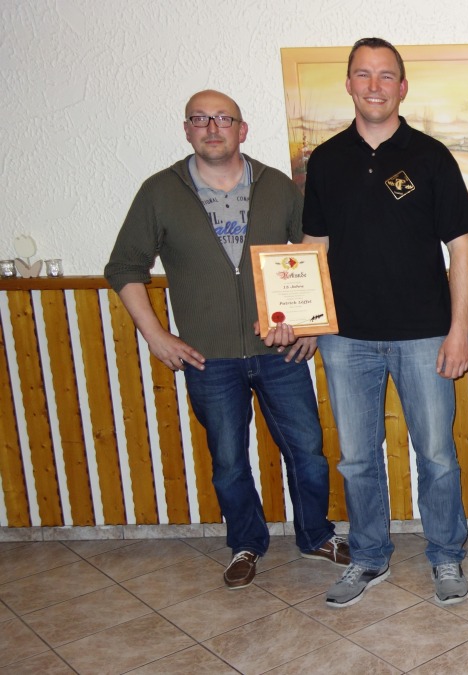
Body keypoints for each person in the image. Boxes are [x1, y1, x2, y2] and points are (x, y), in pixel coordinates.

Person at [105, 90, 347, 590]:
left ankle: (315, 535)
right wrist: (156, 336)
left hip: (279, 353)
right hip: (207, 358)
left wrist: (310, 325)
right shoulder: (160, 192)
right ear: (187, 129)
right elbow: (124, 266)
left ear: (242, 129)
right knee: (229, 461)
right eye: (200, 119)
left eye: (223, 119)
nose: (212, 128)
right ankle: (245, 544)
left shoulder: (278, 186)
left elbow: (314, 253)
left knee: (307, 452)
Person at [302, 38, 468, 608]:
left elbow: (461, 249)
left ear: (402, 87)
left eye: (385, 76)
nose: (374, 86)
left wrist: (458, 330)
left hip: (425, 333)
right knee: (356, 457)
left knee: (437, 454)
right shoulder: (325, 160)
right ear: (349, 84)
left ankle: (445, 555)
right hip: (345, 338)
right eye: (363, 74)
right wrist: (304, 318)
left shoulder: (432, 156)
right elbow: (314, 246)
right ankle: (369, 556)